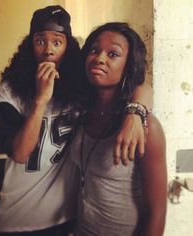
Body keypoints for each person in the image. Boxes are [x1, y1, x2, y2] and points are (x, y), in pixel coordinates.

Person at [0, 5, 153, 236]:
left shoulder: (80, 84)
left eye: (57, 42)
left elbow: (142, 86)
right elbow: (20, 153)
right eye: (40, 41)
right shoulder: (9, 89)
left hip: (69, 214)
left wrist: (135, 112)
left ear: (68, 47)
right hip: (20, 215)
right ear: (30, 45)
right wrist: (40, 100)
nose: (48, 50)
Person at [70, 22, 167, 236]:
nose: (99, 58)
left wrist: (135, 112)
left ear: (129, 66)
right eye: (94, 50)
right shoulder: (83, 113)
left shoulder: (146, 126)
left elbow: (157, 212)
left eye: (113, 54)